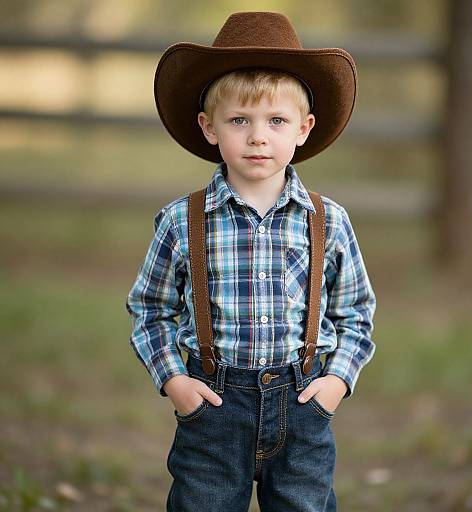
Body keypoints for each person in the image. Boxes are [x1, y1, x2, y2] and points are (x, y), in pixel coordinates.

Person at [126, 11, 377, 512]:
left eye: (276, 120)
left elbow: (355, 312)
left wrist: (336, 382)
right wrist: (175, 382)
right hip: (213, 407)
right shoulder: (183, 220)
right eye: (239, 120)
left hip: (303, 402)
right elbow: (151, 309)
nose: (258, 136)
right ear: (209, 127)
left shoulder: (328, 221)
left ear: (304, 129)